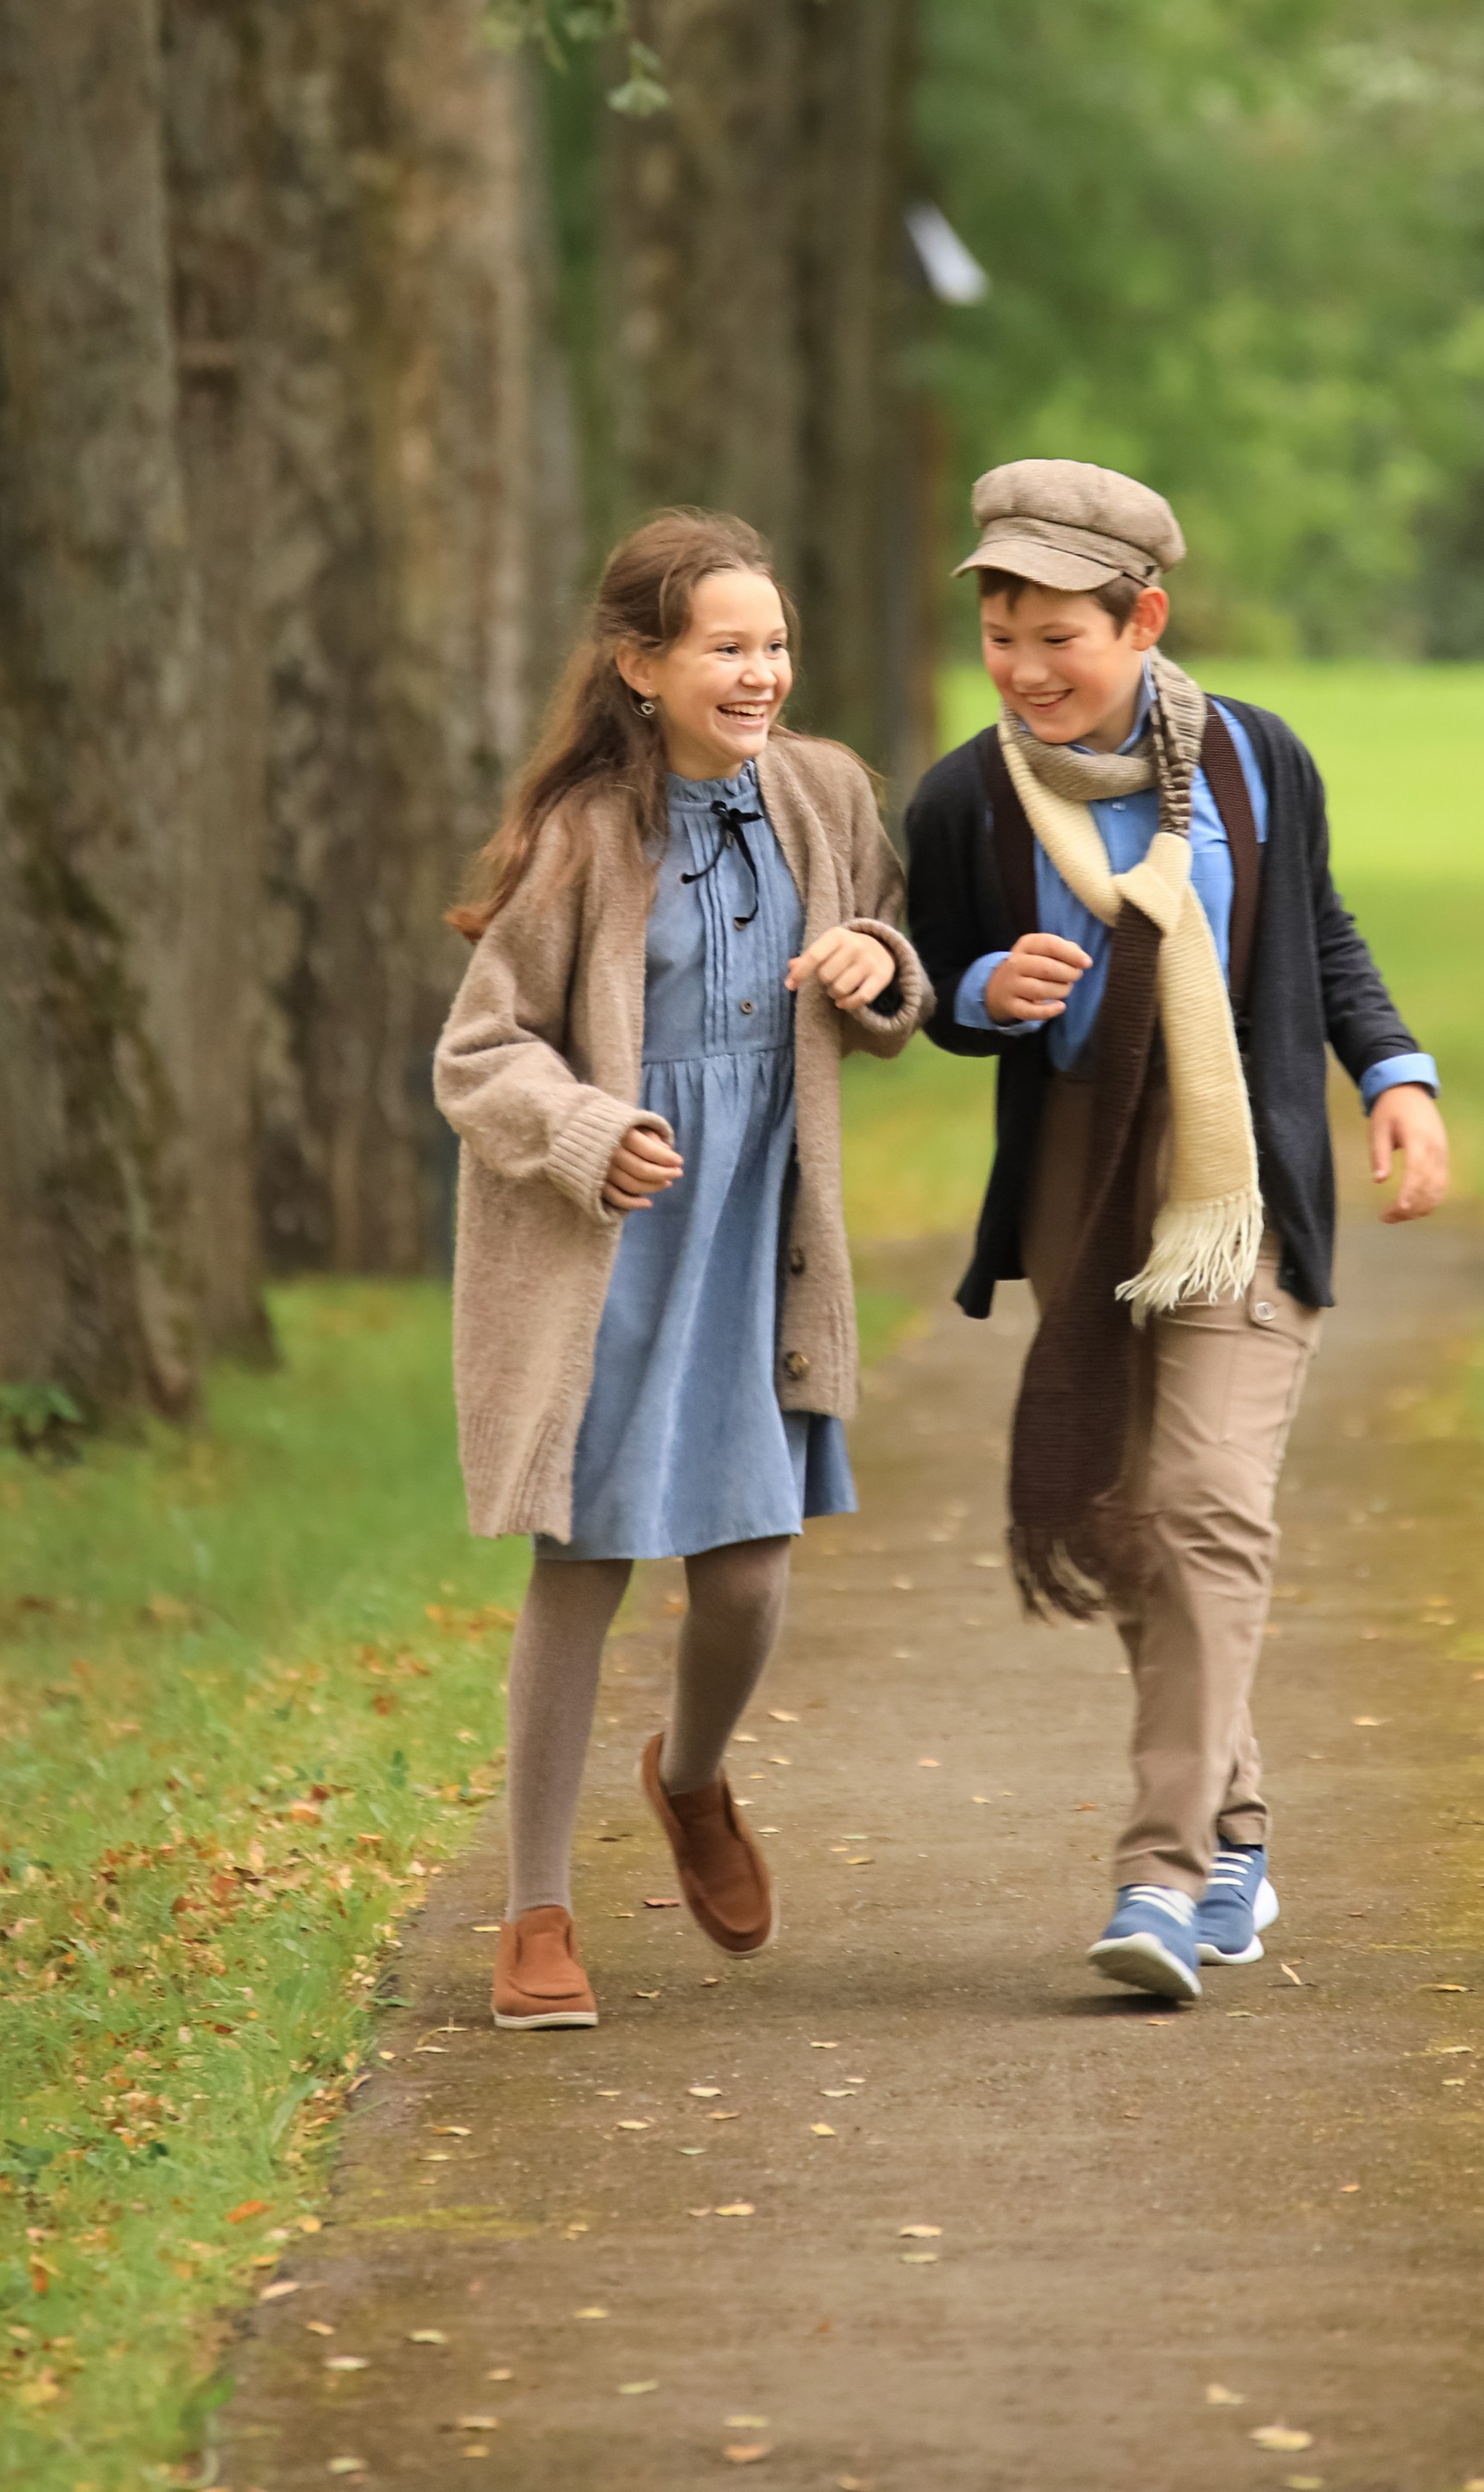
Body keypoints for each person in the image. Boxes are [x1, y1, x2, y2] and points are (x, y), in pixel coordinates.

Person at [905, 459, 1449, 2003]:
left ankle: (1163, 1877)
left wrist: (1394, 1076)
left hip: (1242, 1173)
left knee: (1206, 1500)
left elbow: (1322, 933)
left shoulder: (1261, 764)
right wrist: (970, 996)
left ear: (1143, 619)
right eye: (1000, 634)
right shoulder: (964, 796)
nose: (1022, 669)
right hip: (1084, 1173)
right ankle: (1243, 1835)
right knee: (1132, 1518)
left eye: (1056, 635)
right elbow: (927, 972)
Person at [436, 509, 928, 2032]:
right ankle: (532, 1915)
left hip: (758, 1246)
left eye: (776, 644)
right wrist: (585, 1129)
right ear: (642, 665)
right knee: (580, 1572)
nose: (763, 672)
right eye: (729, 647)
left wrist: (879, 966)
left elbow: (892, 961)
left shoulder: (826, 796)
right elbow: (477, 1049)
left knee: (750, 1583)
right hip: (616, 1260)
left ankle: (692, 1780)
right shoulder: (585, 836)